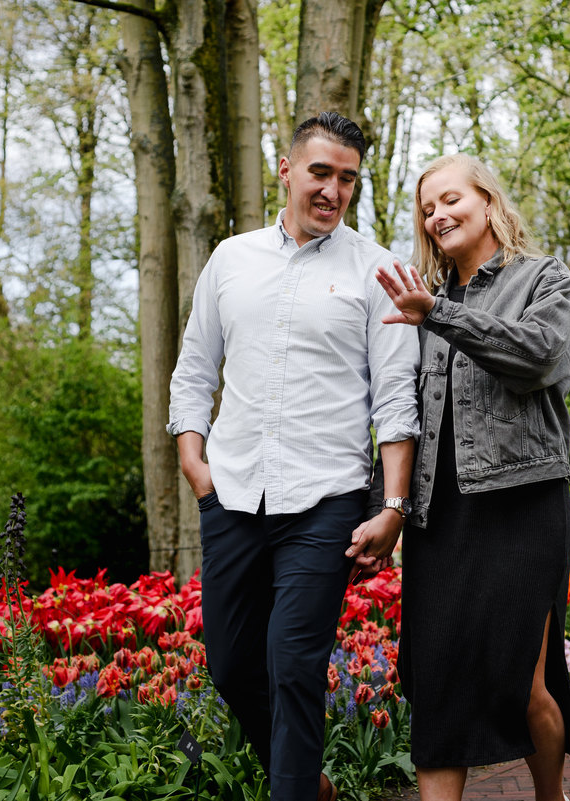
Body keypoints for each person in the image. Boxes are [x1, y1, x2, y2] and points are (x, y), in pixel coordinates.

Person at [167, 112, 420, 801]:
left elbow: (396, 402)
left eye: (347, 179)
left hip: (325, 500)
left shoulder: (379, 271)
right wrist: (197, 466)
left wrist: (392, 507)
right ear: (286, 169)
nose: (332, 190)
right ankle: (311, 784)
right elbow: (194, 370)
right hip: (234, 496)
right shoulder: (231, 259)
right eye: (320, 173)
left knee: (294, 664)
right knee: (229, 663)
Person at [375, 153, 570, 801]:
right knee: (436, 687)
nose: (437, 214)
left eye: (449, 199)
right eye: (427, 208)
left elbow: (538, 358)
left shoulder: (544, 278)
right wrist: (389, 506)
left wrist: (438, 315)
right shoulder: (423, 304)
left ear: (488, 200)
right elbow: (402, 411)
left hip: (523, 508)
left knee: (520, 687)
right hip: (440, 521)